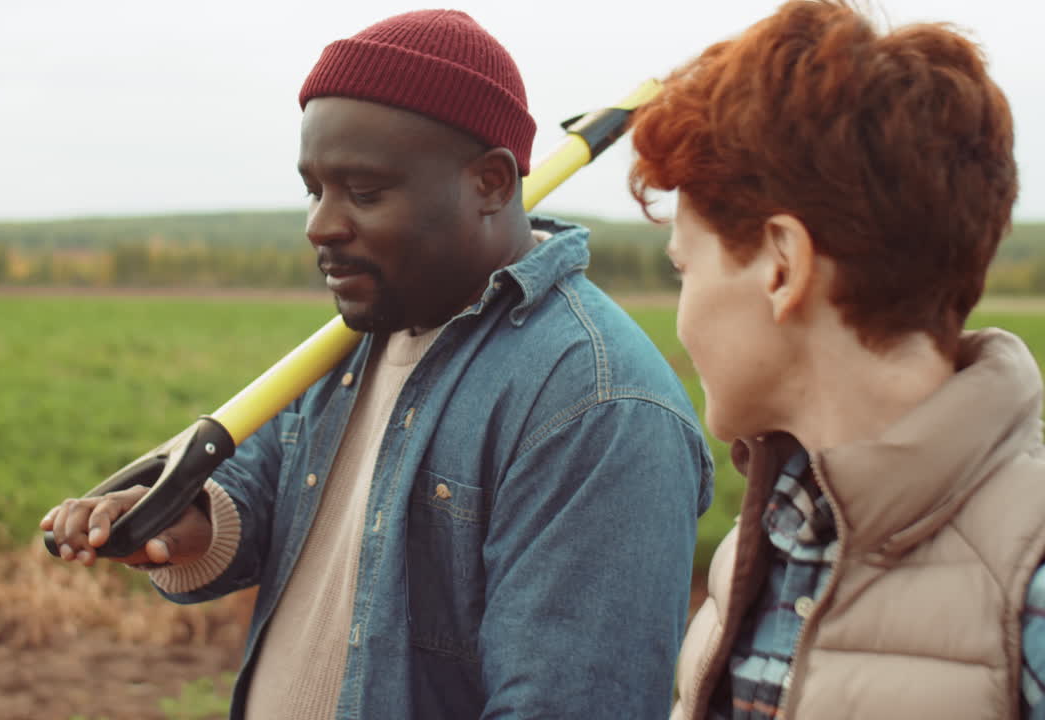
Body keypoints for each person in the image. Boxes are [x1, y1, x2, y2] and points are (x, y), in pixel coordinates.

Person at [42, 9, 713, 720]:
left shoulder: (595, 402)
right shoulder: (361, 335)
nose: (320, 225)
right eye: (315, 188)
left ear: (490, 184)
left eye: (363, 193)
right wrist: (187, 525)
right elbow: (272, 484)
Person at [626, 1, 1045, 718]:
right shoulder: (767, 535)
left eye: (683, 269)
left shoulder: (1031, 592)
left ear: (783, 267)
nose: (684, 313)